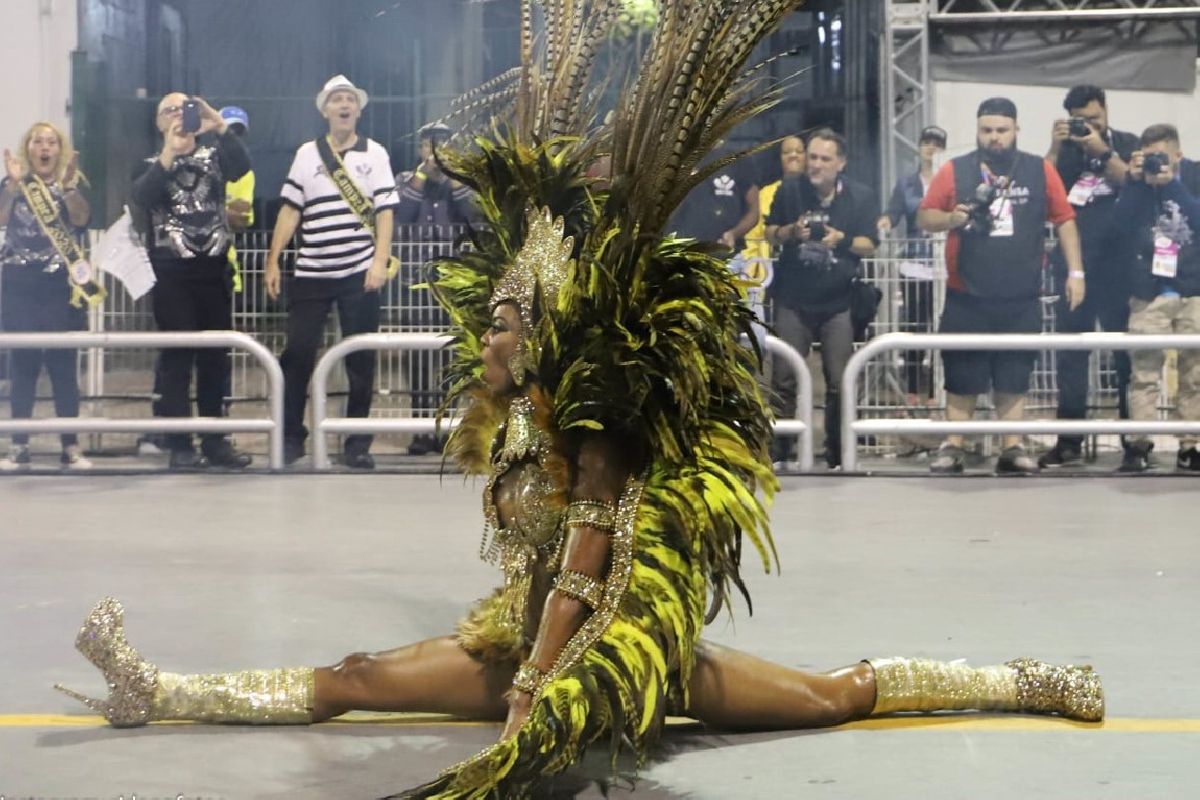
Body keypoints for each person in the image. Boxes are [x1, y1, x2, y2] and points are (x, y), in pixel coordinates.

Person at [54, 6, 1104, 797]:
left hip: (611, 647)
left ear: (542, 339)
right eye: (491, 324)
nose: (486, 338)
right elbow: (533, 571)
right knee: (354, 672)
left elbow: (587, 566)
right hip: (525, 627)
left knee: (831, 694)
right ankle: (161, 688)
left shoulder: (589, 424)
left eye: (505, 327)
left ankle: (1024, 677)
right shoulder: (509, 410)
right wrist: (515, 658)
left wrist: (530, 702)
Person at [918, 97, 1085, 475]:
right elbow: (925, 216)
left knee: (1014, 375)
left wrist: (1077, 273)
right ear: (978, 131)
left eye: (1002, 130)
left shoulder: (1039, 170)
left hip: (1021, 294)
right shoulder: (954, 171)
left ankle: (1013, 447)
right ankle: (954, 446)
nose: (994, 138)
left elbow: (1065, 220)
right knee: (962, 375)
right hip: (967, 293)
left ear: (1016, 130)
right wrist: (951, 218)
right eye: (987, 130)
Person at [265, 75, 398, 469]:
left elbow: (385, 211)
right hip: (311, 271)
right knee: (298, 353)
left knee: (360, 359)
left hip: (359, 271)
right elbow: (290, 210)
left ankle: (357, 443)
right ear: (325, 110)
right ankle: (292, 437)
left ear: (358, 110)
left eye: (349, 100)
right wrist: (273, 259)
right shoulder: (307, 154)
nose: (343, 106)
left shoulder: (375, 153)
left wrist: (379, 261)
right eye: (336, 100)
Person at [131, 93, 253, 470]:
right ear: (157, 122)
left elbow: (242, 169)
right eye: (168, 111)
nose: (177, 117)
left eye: (183, 109)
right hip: (171, 274)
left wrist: (218, 127)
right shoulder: (149, 163)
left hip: (213, 270)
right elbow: (142, 197)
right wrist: (170, 152)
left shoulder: (214, 154)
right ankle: (180, 444)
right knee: (177, 358)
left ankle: (215, 441)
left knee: (216, 358)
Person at [764, 128, 879, 468]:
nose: (815, 164)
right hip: (792, 298)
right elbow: (770, 230)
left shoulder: (861, 196)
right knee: (783, 378)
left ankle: (838, 453)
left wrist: (841, 240)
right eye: (812, 157)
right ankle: (780, 453)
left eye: (824, 159)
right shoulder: (790, 189)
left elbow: (870, 244)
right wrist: (790, 233)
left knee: (840, 380)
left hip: (838, 301)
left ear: (840, 163)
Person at [1040, 85, 1139, 468]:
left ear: (1106, 111)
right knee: (1071, 354)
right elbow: (1042, 192)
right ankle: (1069, 442)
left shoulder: (1128, 144)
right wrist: (1054, 146)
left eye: (1095, 118)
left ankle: (1134, 441)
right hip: (1074, 266)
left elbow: (1135, 184)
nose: (1089, 126)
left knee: (1126, 357)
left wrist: (1103, 151)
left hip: (1121, 266)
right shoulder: (1064, 154)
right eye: (1082, 120)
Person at [0, 122, 92, 471]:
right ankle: (18, 445)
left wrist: (68, 190)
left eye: (52, 142)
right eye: (38, 141)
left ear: (59, 150)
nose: (45, 147)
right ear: (29, 148)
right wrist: (11, 186)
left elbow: (83, 220)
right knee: (22, 366)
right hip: (19, 284)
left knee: (63, 367)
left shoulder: (73, 184)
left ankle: (71, 446)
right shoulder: (14, 185)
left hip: (60, 286)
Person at [1111, 124, 1200, 473]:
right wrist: (1135, 183)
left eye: (1162, 156)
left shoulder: (1193, 176)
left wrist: (1171, 185)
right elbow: (1118, 225)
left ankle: (1191, 444)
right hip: (1148, 289)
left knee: (1195, 372)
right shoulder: (1135, 185)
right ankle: (1139, 444)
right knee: (1144, 373)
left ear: (1177, 155)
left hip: (1194, 289)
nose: (1156, 163)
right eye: (1149, 157)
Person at [395, 122, 479, 456]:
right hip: (414, 285)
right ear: (419, 149)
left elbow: (472, 212)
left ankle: (446, 431)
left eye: (444, 144)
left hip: (453, 286)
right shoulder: (405, 178)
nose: (436, 151)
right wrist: (425, 172)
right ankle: (419, 430)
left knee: (450, 362)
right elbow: (402, 211)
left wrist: (451, 172)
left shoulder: (464, 181)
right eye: (430, 145)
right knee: (416, 362)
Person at [878, 125, 947, 405]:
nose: (931, 148)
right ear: (918, 147)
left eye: (937, 143)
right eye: (926, 142)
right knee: (914, 325)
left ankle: (937, 389)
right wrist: (884, 221)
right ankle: (914, 389)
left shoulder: (951, 180)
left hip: (944, 266)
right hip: (914, 265)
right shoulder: (907, 183)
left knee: (940, 327)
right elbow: (893, 212)